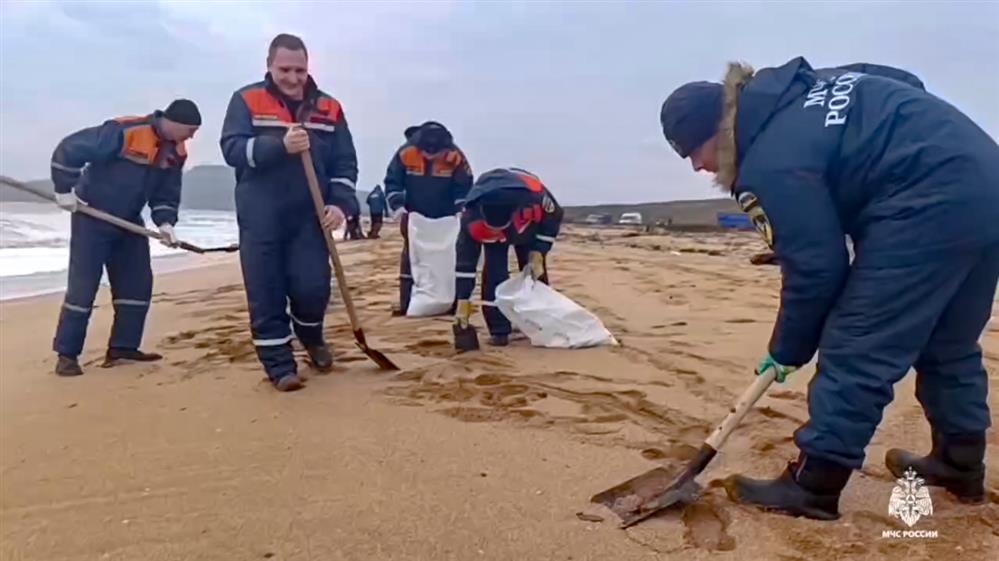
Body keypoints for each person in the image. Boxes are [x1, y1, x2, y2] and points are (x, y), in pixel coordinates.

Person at [659, 56, 999, 519]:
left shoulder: (769, 162)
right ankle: (959, 463)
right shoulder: (805, 87)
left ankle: (814, 485)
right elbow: (902, 78)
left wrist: (787, 349)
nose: (698, 167)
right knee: (948, 341)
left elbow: (818, 271)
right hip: (985, 178)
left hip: (923, 199)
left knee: (858, 342)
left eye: (694, 150)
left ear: (718, 126)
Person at [220, 33, 358, 392]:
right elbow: (232, 149)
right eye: (285, 69)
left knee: (312, 288)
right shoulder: (247, 100)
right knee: (266, 290)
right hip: (260, 212)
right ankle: (280, 365)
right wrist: (278, 145)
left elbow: (345, 162)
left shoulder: (329, 108)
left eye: (300, 70)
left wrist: (340, 203)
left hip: (310, 215)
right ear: (269, 65)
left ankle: (311, 337)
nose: (293, 78)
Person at [49, 99, 202, 377]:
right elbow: (70, 148)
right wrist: (64, 188)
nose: (191, 137)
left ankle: (123, 348)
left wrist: (166, 222)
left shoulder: (176, 152)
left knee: (137, 283)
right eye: (190, 130)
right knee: (83, 288)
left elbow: (167, 191)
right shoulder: (124, 131)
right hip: (92, 216)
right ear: (173, 122)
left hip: (128, 221)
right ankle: (67, 355)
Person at [453, 167, 563, 347]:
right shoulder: (471, 215)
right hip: (492, 239)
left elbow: (553, 219)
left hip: (527, 230)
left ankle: (541, 322)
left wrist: (539, 251)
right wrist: (462, 300)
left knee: (533, 273)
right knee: (495, 273)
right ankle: (499, 331)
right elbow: (466, 263)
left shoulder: (537, 196)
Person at [384, 121, 472, 315]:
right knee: (411, 256)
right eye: (427, 152)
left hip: (446, 217)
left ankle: (452, 303)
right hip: (414, 215)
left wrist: (460, 210)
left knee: (450, 259)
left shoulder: (455, 156)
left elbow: (464, 186)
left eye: (436, 153)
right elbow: (393, 182)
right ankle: (407, 303)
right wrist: (398, 207)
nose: (431, 156)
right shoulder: (406, 153)